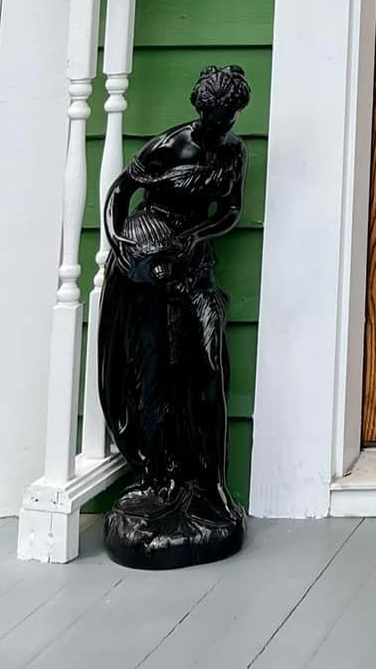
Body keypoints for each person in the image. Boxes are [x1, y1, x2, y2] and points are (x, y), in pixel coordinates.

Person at [97, 63, 250, 568]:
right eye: (210, 115)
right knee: (153, 370)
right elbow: (120, 192)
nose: (216, 124)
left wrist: (193, 238)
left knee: (207, 365)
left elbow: (230, 212)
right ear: (200, 108)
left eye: (224, 117)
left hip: (191, 263)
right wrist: (121, 244)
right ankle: (158, 474)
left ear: (234, 113)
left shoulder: (233, 152)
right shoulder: (171, 145)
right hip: (148, 258)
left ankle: (211, 484)